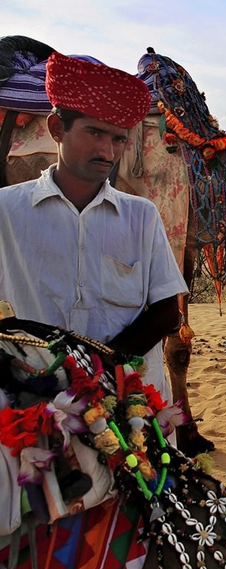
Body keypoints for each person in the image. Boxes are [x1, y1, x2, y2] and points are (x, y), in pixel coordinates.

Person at [0, 52, 188, 412]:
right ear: (58, 129)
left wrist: (96, 370)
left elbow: (168, 312)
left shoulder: (141, 216)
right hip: (37, 407)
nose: (107, 151)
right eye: (95, 132)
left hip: (130, 406)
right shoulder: (6, 212)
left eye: (118, 139)